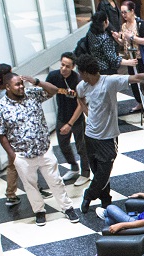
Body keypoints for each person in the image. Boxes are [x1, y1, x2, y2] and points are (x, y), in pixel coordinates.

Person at [69, 53, 144, 213]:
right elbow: (79, 97)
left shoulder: (109, 81)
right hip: (90, 136)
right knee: (97, 172)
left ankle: (88, 195)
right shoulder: (82, 86)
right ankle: (105, 201)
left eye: (80, 72)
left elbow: (136, 78)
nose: (80, 76)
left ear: (86, 72)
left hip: (108, 138)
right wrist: (87, 112)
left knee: (103, 173)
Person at [0, 73, 80, 227]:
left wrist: (37, 81)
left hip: (44, 149)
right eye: (17, 85)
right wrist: (12, 156)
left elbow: (54, 91)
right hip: (22, 155)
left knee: (55, 181)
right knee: (30, 185)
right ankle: (39, 211)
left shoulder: (32, 94)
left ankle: (67, 208)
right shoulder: (0, 108)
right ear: (7, 87)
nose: (21, 87)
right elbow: (1, 134)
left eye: (21, 83)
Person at [0, 63, 26, 207]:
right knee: (30, 161)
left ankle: (11, 194)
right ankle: (32, 188)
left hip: (6, 136)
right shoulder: (13, 92)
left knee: (12, 164)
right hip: (21, 132)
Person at [46, 52, 91, 187]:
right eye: (62, 65)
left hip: (76, 118)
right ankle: (73, 167)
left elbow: (81, 105)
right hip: (62, 115)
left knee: (82, 147)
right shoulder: (54, 76)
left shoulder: (78, 81)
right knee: (63, 145)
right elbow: (46, 88)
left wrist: (70, 123)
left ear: (73, 67)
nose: (64, 69)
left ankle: (85, 173)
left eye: (67, 66)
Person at [112, 1, 144, 112]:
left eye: (125, 12)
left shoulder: (140, 24)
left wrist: (132, 37)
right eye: (122, 13)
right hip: (130, 59)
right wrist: (118, 38)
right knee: (134, 82)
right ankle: (140, 102)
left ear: (132, 11)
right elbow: (123, 43)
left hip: (141, 59)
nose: (124, 15)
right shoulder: (124, 26)